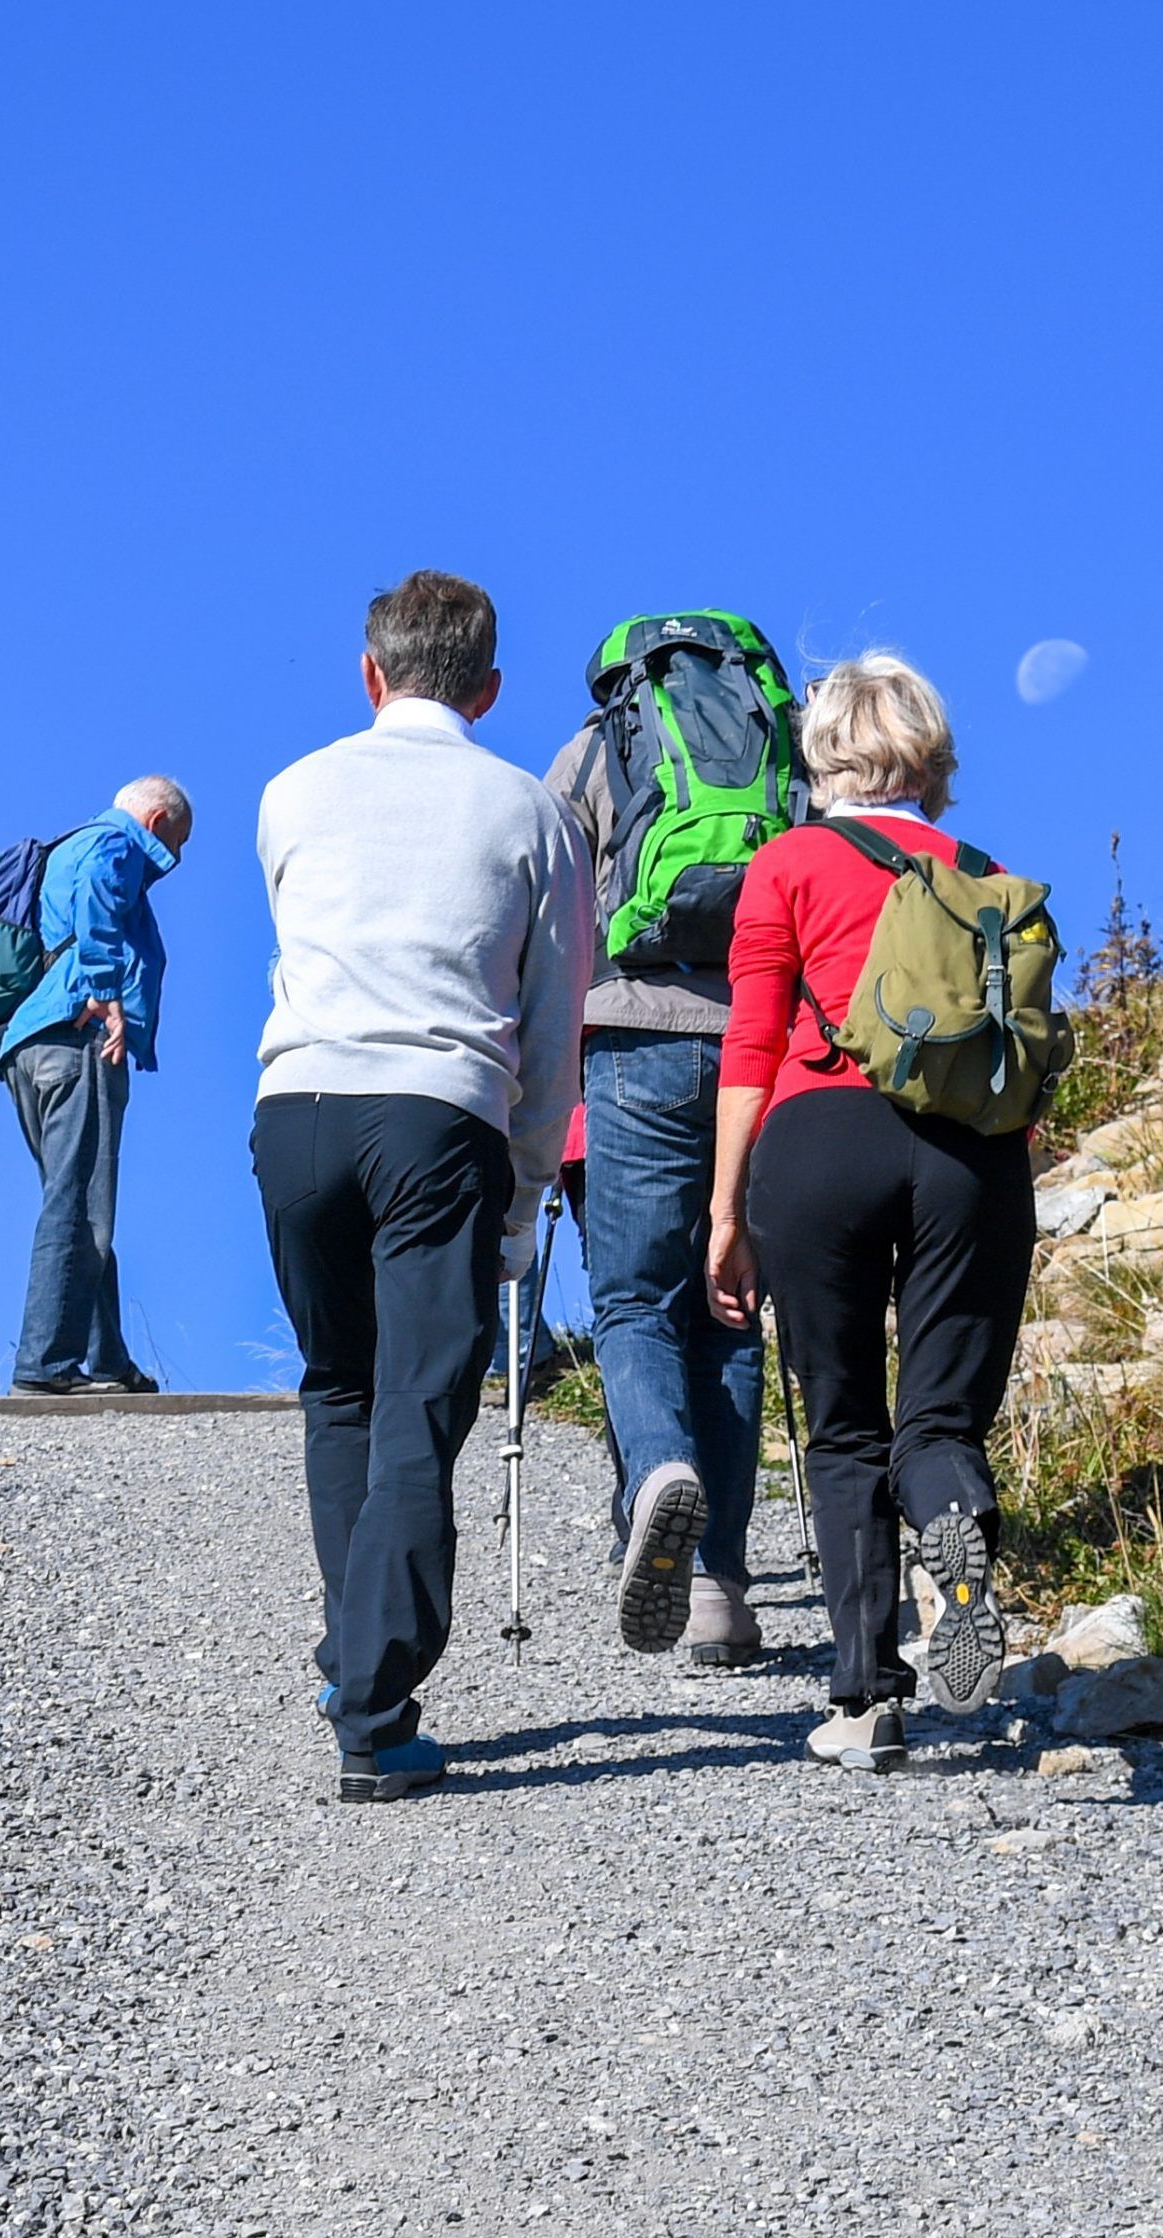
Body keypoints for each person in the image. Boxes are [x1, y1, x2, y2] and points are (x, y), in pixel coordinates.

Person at [252, 571, 592, 1803]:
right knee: (420, 1404)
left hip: (293, 1113)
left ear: (369, 671)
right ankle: (374, 1703)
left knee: (339, 1384)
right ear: (491, 688)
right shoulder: (535, 816)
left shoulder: (290, 793)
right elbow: (553, 1034)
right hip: (438, 1112)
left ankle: (357, 1653)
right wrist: (523, 1198)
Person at [706, 653, 1034, 1771]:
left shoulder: (789, 863)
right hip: (973, 1158)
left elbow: (751, 1045)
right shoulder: (989, 877)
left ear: (824, 751)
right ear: (931, 754)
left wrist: (724, 1211)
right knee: (937, 1425)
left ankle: (865, 1701)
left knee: (844, 1426)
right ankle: (960, 1551)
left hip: (821, 1140)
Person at [547, 660, 769, 1664]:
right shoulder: (781, 744)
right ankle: (720, 1585)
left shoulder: (594, 751)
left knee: (635, 1303)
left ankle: (657, 1476)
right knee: (731, 1310)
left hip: (631, 1033)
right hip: (755, 1042)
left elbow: (549, 921)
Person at [0, 776, 192, 1395]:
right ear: (157, 820)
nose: (174, 861)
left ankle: (104, 1357)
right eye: (177, 845)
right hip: (78, 1040)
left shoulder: (69, 843)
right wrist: (108, 994)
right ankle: (46, 1365)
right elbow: (101, 899)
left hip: (28, 1044)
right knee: (80, 1206)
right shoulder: (116, 844)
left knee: (76, 1197)